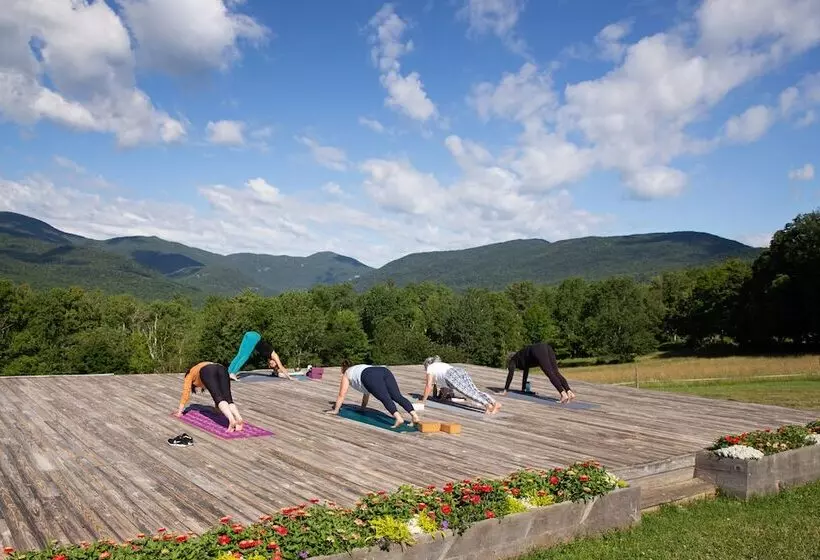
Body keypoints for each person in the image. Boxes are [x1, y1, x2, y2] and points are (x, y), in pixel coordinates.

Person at [325, 361, 421, 428]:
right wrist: (362, 408)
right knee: (397, 396)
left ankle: (398, 418)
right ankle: (415, 416)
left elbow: (342, 395)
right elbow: (366, 394)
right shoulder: (358, 368)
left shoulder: (346, 374)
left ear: (343, 369)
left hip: (369, 375)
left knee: (384, 397)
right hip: (383, 370)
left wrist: (336, 410)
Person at [176, 361, 245, 432]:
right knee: (228, 398)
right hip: (221, 368)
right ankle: (238, 417)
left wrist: (179, 412)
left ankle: (231, 420)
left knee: (218, 398)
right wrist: (217, 409)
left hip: (207, 371)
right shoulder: (200, 365)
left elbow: (186, 392)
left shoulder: (189, 374)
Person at [420, 356, 501, 414]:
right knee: (474, 390)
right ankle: (494, 403)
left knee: (468, 392)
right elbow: (444, 389)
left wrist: (423, 401)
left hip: (451, 375)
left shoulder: (430, 368)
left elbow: (428, 386)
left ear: (427, 365)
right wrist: (442, 399)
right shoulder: (440, 366)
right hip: (459, 370)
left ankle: (487, 406)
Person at [504, 342, 576, 403]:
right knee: (556, 372)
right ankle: (569, 392)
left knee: (550, 373)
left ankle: (563, 394)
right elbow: (526, 372)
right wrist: (523, 389)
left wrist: (505, 390)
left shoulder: (513, 360)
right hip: (546, 347)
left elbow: (510, 374)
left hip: (538, 350)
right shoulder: (521, 357)